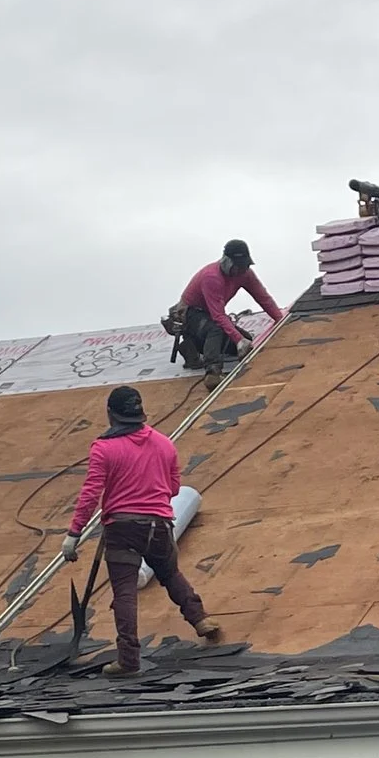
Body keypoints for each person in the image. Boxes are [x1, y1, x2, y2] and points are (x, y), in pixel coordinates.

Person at [60, 385, 223, 676]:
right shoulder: (164, 443)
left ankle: (128, 660)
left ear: (110, 414)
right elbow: (174, 488)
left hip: (122, 528)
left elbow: (90, 493)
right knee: (170, 573)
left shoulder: (103, 448)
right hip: (159, 525)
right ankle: (200, 619)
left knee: (124, 592)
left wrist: (74, 534)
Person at [176, 239, 285, 380]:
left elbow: (263, 297)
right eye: (238, 266)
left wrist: (281, 320)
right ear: (227, 262)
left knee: (245, 342)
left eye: (244, 266)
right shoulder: (211, 277)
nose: (242, 270)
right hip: (191, 314)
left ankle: (193, 345)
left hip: (209, 314)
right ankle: (212, 372)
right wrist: (238, 339)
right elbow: (218, 316)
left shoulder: (245, 274)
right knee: (216, 328)